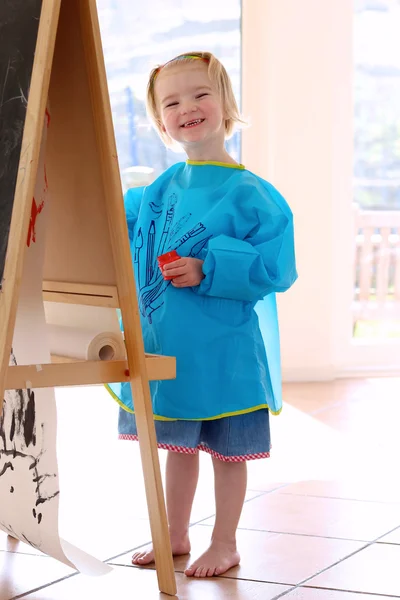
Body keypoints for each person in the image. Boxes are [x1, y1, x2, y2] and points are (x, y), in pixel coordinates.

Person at [107, 51, 297, 578]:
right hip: (168, 346)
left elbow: (276, 266)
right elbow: (128, 229)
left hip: (224, 351)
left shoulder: (252, 194)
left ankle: (225, 541)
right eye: (171, 101)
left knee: (225, 453)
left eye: (200, 95)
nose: (187, 107)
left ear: (227, 105)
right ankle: (173, 533)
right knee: (178, 447)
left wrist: (208, 267)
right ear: (160, 120)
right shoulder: (161, 189)